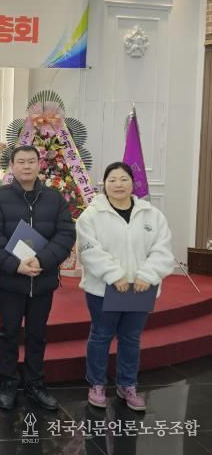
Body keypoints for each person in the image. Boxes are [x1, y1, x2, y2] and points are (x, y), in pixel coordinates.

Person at [0, 145, 75, 411]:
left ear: (39, 165)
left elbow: (66, 234)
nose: (26, 166)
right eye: (21, 162)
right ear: (12, 166)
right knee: (9, 332)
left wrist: (42, 261)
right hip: (11, 280)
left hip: (43, 279)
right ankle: (8, 383)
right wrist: (16, 265)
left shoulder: (54, 198)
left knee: (37, 334)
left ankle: (35, 383)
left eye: (31, 161)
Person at [76, 162, 173, 411]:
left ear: (133, 183)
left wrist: (148, 275)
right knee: (101, 335)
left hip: (140, 288)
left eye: (123, 179)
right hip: (104, 289)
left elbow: (162, 249)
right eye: (112, 180)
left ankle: (128, 385)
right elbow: (88, 250)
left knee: (131, 338)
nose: (118, 184)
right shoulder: (91, 215)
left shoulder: (152, 215)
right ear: (104, 184)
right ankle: (96, 384)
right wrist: (114, 275)